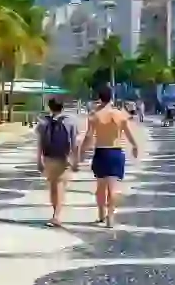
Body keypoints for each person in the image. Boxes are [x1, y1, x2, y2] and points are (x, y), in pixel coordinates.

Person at [78, 86, 139, 228]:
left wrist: (81, 152)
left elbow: (88, 136)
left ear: (99, 98)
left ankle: (101, 214)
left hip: (101, 152)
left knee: (100, 187)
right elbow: (129, 133)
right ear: (111, 97)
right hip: (116, 152)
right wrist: (135, 146)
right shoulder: (121, 114)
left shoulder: (94, 115)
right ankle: (110, 218)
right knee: (113, 188)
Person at [36, 97, 79, 228]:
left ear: (50, 107)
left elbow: (39, 143)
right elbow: (74, 143)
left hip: (48, 158)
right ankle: (57, 215)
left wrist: (38, 160)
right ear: (62, 107)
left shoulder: (44, 123)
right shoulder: (70, 121)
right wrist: (75, 160)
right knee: (60, 187)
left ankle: (55, 213)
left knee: (53, 187)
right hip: (64, 159)